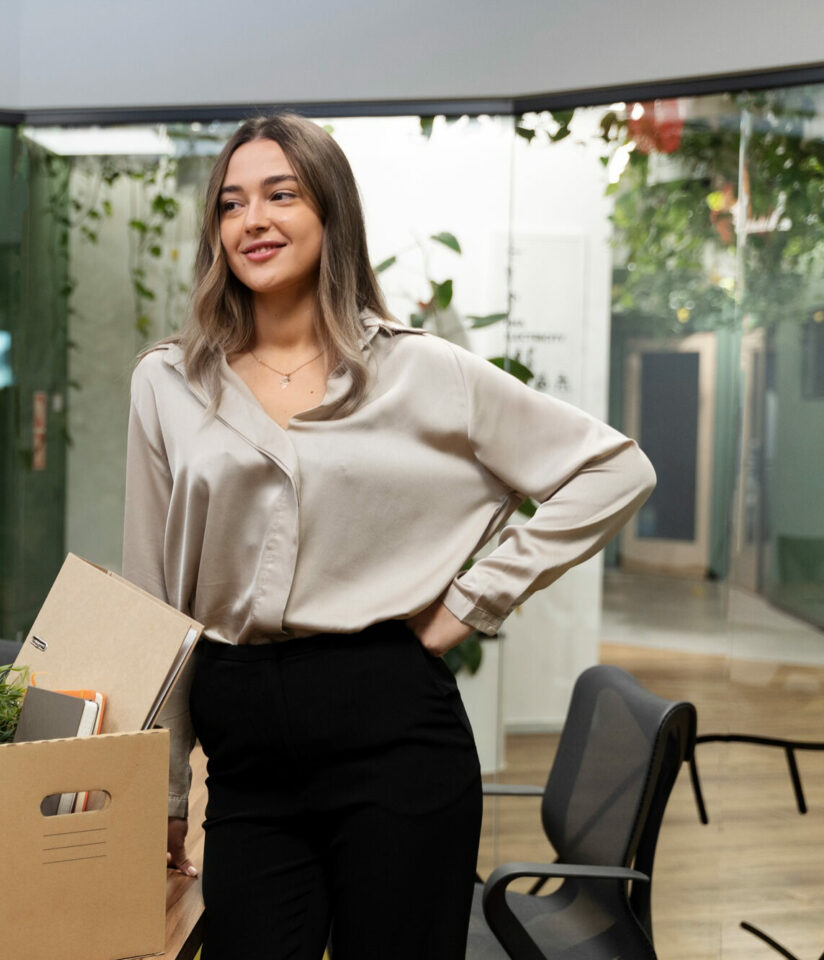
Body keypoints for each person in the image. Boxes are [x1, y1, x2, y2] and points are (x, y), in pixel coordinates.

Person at [123, 114, 656, 959]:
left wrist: (471, 604)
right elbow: (153, 599)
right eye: (231, 204)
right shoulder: (168, 382)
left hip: (393, 733)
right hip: (246, 748)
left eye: (280, 194)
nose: (252, 219)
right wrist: (162, 787)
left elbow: (614, 471)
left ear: (332, 212)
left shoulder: (423, 371)